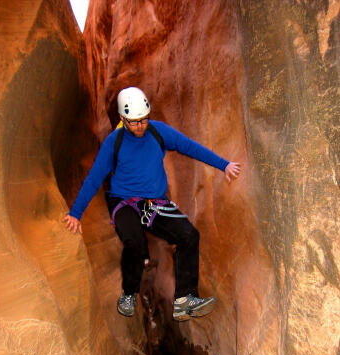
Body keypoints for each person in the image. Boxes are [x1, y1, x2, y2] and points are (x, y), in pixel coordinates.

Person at [63, 87, 241, 320]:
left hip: (155, 203)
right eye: (134, 122)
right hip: (124, 202)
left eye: (144, 120)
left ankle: (185, 299)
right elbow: (94, 178)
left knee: (189, 235)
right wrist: (76, 213)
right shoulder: (113, 143)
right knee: (134, 242)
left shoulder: (158, 132)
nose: (140, 126)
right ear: (123, 119)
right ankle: (129, 293)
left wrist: (224, 164)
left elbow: (190, 146)